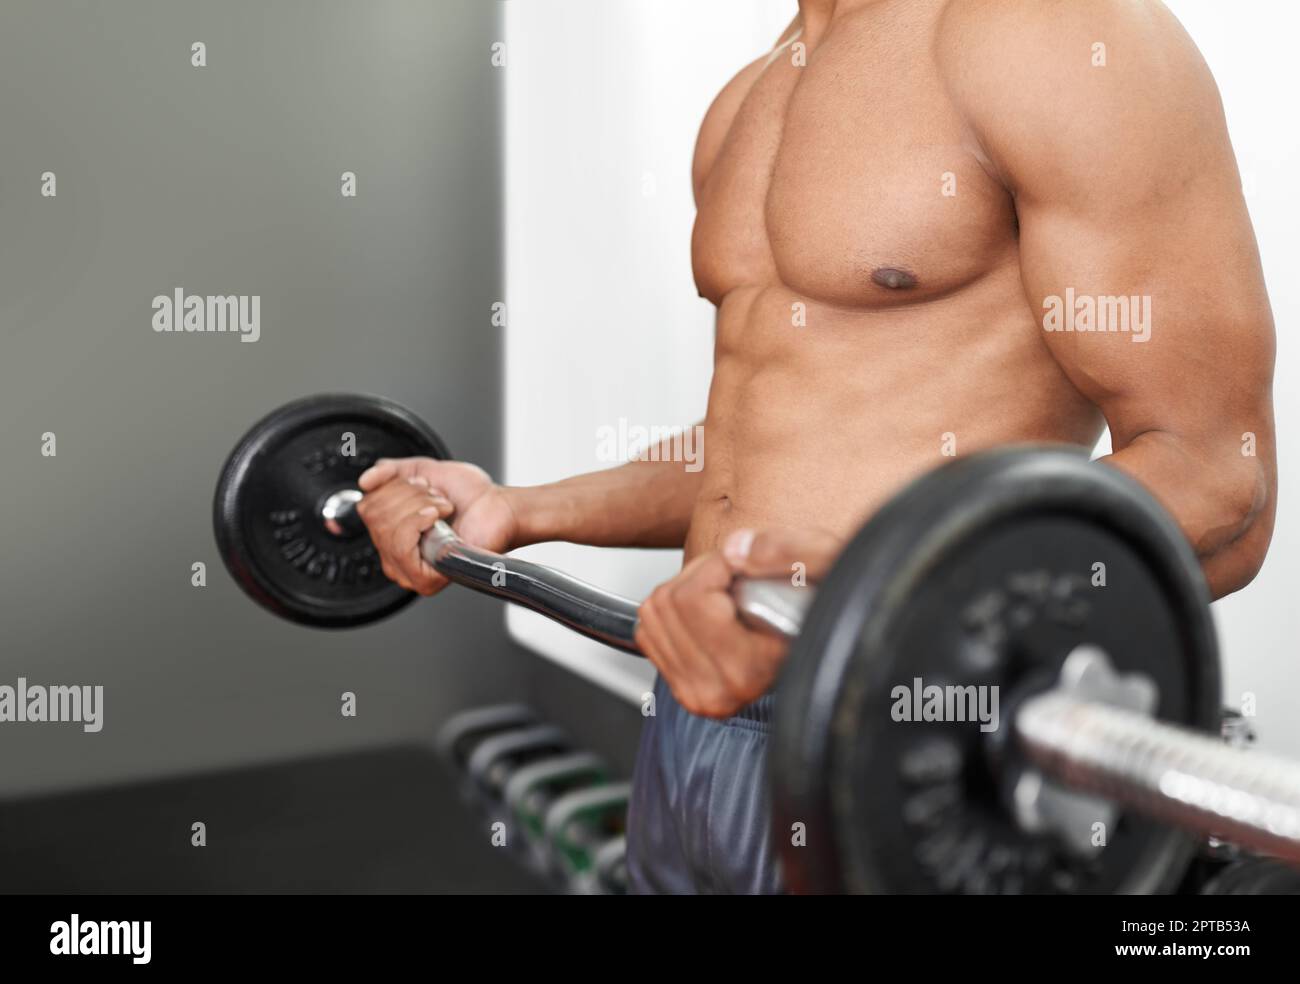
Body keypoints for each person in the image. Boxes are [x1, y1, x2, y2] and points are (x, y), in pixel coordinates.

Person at [356, 0, 1276, 893]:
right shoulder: (749, 97)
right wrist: (521, 509)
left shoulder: (1054, 33)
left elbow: (1216, 475)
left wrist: (860, 613)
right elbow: (751, 455)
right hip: (693, 719)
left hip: (909, 743)